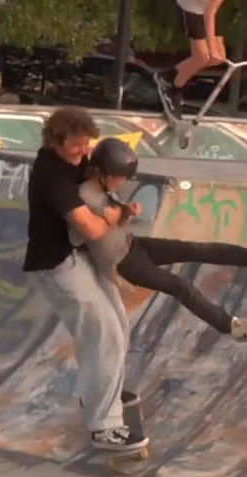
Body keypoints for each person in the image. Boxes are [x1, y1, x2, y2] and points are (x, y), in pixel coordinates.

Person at [22, 106, 147, 452]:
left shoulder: (76, 164)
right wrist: (115, 216)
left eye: (87, 145)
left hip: (82, 258)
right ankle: (104, 427)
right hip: (58, 264)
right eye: (76, 146)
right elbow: (91, 227)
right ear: (56, 142)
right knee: (101, 332)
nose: (83, 153)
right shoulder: (53, 177)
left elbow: (103, 205)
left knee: (119, 325)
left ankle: (99, 394)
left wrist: (115, 212)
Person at [72, 137, 247, 340]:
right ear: (102, 172)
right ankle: (231, 326)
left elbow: (116, 219)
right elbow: (85, 232)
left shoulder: (104, 188)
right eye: (119, 177)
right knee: (180, 286)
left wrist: (126, 211)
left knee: (197, 248)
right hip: (124, 263)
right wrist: (116, 215)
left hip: (135, 244)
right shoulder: (84, 196)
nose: (122, 182)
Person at [156, 0, 247, 119]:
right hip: (190, 2)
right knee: (203, 57)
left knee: (218, 59)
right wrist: (211, 47)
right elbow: (210, 11)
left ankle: (168, 75)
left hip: (207, 6)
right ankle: (174, 92)